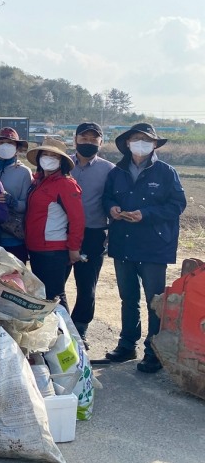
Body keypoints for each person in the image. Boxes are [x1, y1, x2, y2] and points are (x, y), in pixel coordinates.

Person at [103, 123, 186, 373]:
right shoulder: (116, 172)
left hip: (153, 246)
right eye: (136, 139)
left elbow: (177, 205)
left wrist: (146, 214)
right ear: (127, 144)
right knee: (128, 298)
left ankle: (154, 351)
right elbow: (107, 197)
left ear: (154, 145)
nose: (141, 143)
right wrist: (112, 209)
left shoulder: (165, 172)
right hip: (123, 242)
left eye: (146, 140)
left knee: (155, 301)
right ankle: (127, 344)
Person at [24, 138, 85, 311]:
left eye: (54, 156)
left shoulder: (66, 185)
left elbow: (77, 219)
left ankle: (66, 336)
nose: (48, 158)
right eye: (45, 155)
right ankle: (51, 335)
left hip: (53, 249)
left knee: (55, 296)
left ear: (62, 161)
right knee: (42, 295)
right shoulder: (38, 181)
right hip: (36, 247)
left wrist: (74, 248)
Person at [69, 122, 115, 346]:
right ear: (75, 139)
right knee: (55, 282)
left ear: (101, 142)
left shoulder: (109, 170)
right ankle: (60, 326)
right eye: (83, 138)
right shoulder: (62, 164)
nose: (88, 142)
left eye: (93, 139)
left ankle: (80, 328)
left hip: (93, 233)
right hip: (61, 232)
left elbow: (114, 199)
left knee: (86, 285)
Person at [0, 127, 32, 263]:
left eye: (10, 143)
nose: (5, 146)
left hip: (13, 238)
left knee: (15, 281)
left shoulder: (24, 172)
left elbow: (26, 206)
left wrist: (12, 201)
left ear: (17, 148)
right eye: (1, 143)